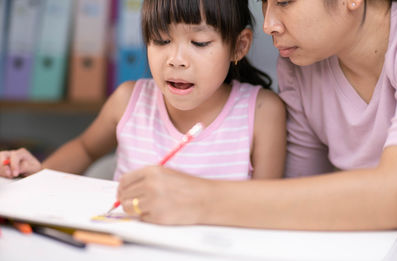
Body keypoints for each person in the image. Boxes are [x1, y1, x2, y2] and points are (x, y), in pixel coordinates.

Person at [115, 0, 397, 230]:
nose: (268, 24)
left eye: (284, 2)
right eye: (263, 2)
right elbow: (292, 196)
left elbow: (393, 195)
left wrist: (201, 199)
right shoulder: (299, 68)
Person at [0, 0, 286, 199]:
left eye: (199, 43)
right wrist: (39, 175)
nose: (176, 60)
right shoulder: (128, 100)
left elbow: (264, 205)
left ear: (238, 46)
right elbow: (86, 149)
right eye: (161, 40)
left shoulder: (262, 112)